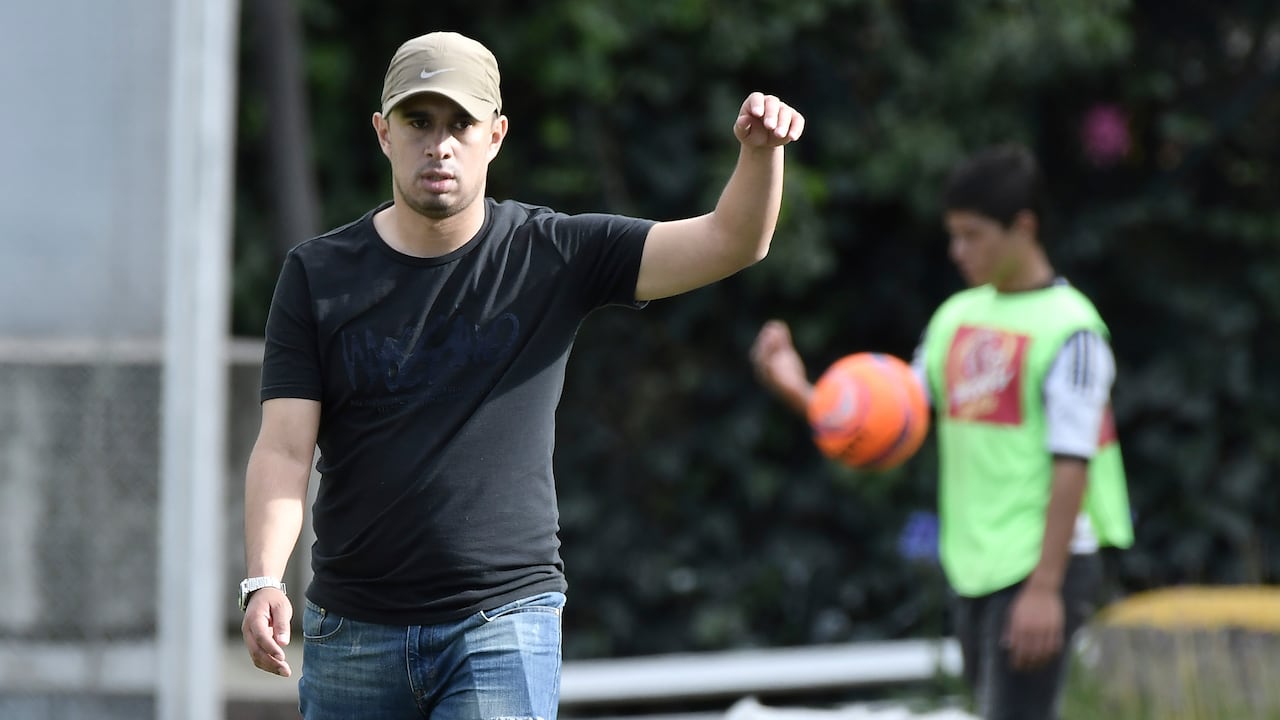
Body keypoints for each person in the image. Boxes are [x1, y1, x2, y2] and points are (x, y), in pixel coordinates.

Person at [238, 30, 804, 720]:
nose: (438, 144)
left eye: (460, 124)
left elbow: (732, 241)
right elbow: (285, 448)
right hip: (352, 630)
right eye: (418, 122)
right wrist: (264, 576)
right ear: (384, 133)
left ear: (496, 135)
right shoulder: (316, 274)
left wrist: (760, 152)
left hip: (501, 623)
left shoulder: (553, 253)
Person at [749, 143, 1132, 720]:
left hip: (1041, 566)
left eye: (973, 235)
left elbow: (1073, 461)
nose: (957, 251)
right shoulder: (957, 317)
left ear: (1023, 227)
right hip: (974, 564)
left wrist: (1046, 588)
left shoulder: (1073, 329)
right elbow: (890, 416)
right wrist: (798, 388)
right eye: (953, 235)